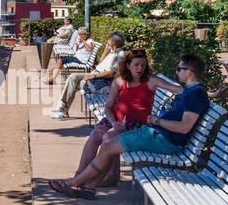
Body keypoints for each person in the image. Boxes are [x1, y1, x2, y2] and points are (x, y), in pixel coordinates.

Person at [50, 54, 209, 198]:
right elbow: (183, 93)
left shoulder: (195, 94)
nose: (176, 72)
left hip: (161, 138)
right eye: (137, 65)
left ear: (189, 72)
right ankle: (88, 187)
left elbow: (184, 127)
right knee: (106, 141)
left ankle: (75, 182)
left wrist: (156, 120)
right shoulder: (192, 91)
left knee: (108, 144)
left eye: (179, 69)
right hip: (154, 132)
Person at [65, 48, 181, 190]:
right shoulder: (120, 81)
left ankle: (107, 177)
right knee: (95, 135)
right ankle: (79, 176)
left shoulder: (150, 80)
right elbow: (108, 107)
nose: (140, 68)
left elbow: (175, 88)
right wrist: (113, 122)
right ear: (128, 65)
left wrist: (203, 92)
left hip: (137, 124)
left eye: (143, 65)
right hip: (116, 119)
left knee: (108, 137)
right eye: (136, 65)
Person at [45, 31, 125, 119]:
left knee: (74, 84)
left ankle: (64, 110)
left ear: (115, 41)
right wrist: (106, 50)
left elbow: (111, 73)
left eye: (110, 39)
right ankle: (63, 105)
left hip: (102, 80)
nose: (108, 40)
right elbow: (100, 63)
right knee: (72, 77)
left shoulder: (120, 55)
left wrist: (93, 76)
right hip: (96, 74)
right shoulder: (112, 51)